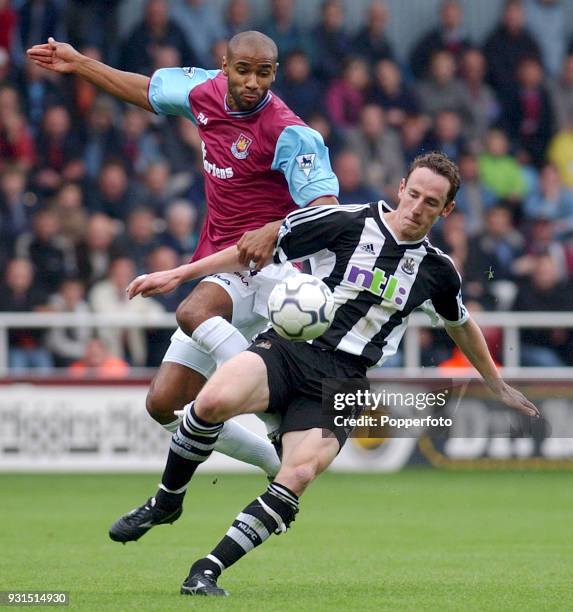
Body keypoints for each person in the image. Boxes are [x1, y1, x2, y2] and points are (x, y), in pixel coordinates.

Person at [123, 152, 539, 596]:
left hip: (344, 382)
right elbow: (254, 251)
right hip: (288, 350)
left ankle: (206, 570)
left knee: (297, 476)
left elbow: (461, 324)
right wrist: (179, 274)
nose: (417, 208)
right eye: (413, 194)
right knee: (209, 403)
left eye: (431, 203)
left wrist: (494, 383)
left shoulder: (438, 271)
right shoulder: (346, 221)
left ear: (447, 210)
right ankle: (168, 500)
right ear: (400, 188)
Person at [27, 32, 339, 477]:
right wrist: (79, 63)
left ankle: (273, 399)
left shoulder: (290, 133)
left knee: (193, 309)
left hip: (272, 267)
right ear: (224, 65)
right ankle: (275, 462)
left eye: (264, 73)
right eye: (243, 70)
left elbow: (326, 211)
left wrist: (274, 227)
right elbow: (144, 90)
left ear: (275, 73)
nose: (252, 82)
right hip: (219, 259)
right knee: (163, 405)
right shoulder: (202, 91)